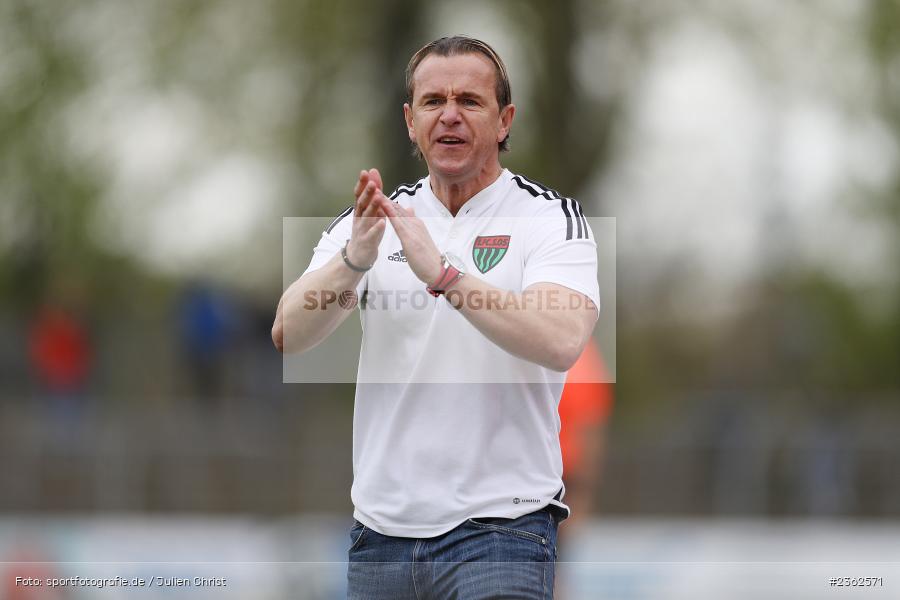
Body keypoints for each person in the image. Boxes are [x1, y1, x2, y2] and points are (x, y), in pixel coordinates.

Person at [273, 36, 600, 600]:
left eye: (470, 101)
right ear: (409, 120)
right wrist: (353, 261)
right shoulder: (372, 219)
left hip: (504, 531)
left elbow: (561, 338)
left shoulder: (550, 218)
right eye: (433, 101)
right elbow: (289, 333)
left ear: (504, 120)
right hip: (381, 537)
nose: (449, 115)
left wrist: (447, 277)